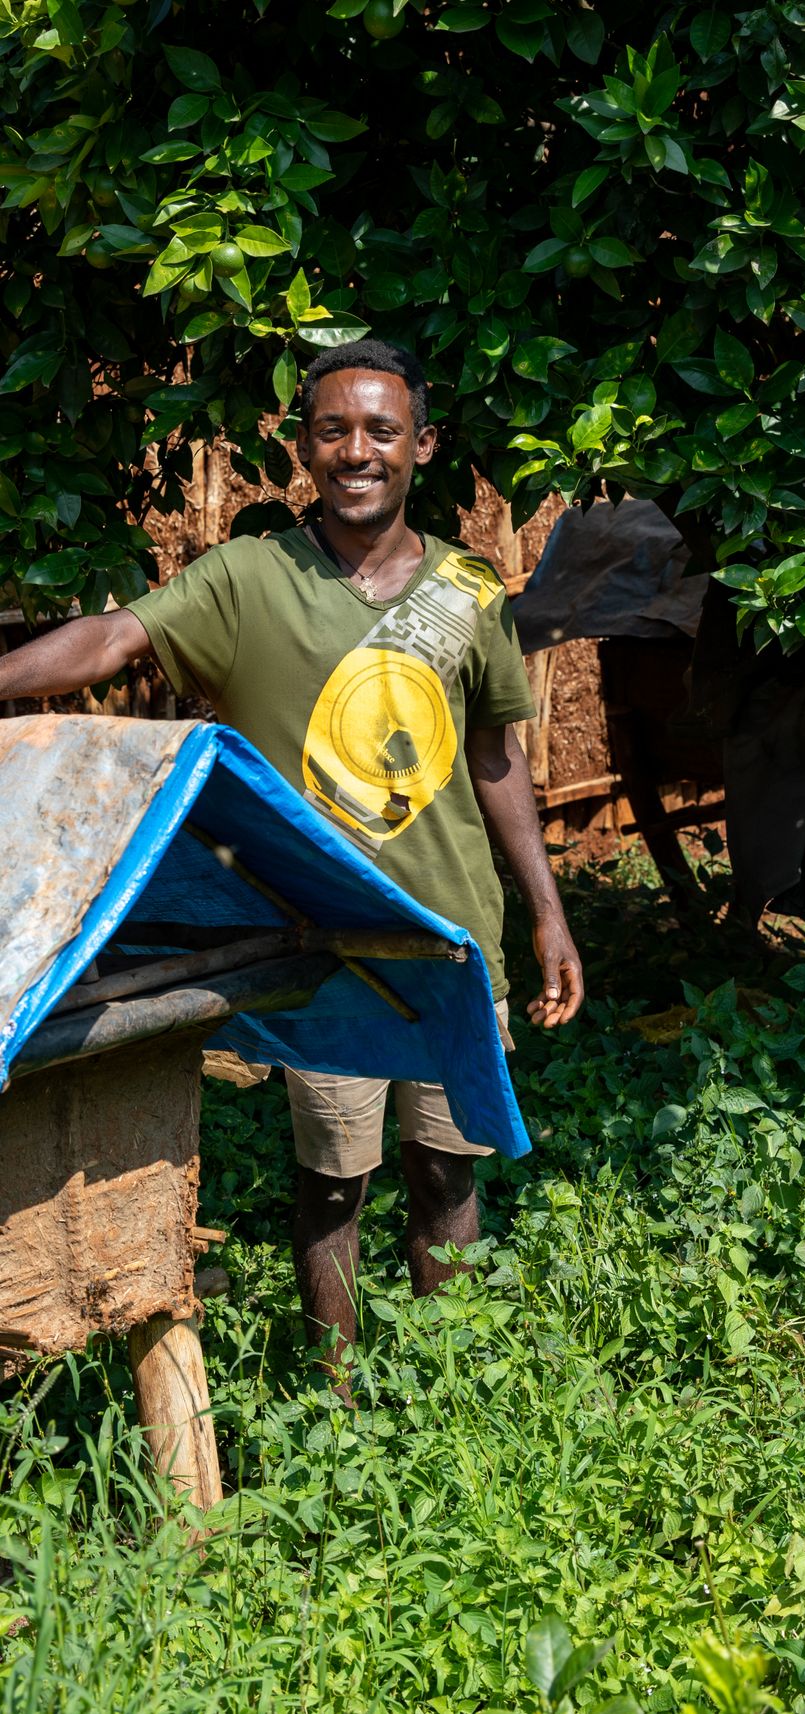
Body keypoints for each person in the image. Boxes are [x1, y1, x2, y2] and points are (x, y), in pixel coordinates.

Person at [0, 339, 583, 1385]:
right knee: (333, 1185)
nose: (359, 450)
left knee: (449, 1170)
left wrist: (546, 910)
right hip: (328, 941)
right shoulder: (248, 579)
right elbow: (112, 641)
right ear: (301, 446)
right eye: (334, 430)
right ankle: (338, 1397)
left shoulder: (468, 591)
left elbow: (496, 759)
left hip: (449, 939)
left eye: (382, 430)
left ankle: (448, 1398)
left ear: (423, 446)